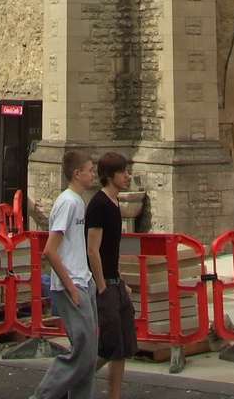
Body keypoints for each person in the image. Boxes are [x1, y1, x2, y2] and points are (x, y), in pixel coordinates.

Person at [33, 148, 99, 399]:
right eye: (90, 170)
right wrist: (72, 287)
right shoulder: (68, 202)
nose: (93, 175)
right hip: (73, 286)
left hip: (84, 282)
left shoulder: (78, 201)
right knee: (82, 353)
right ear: (77, 173)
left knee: (89, 355)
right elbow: (50, 250)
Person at [85, 151, 138, 399]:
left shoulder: (115, 203)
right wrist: (102, 286)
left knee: (122, 346)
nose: (127, 176)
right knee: (107, 346)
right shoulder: (99, 205)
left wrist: (120, 283)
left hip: (115, 283)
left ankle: (113, 396)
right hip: (104, 285)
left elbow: (110, 251)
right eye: (122, 172)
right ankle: (71, 383)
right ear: (109, 176)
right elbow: (92, 250)